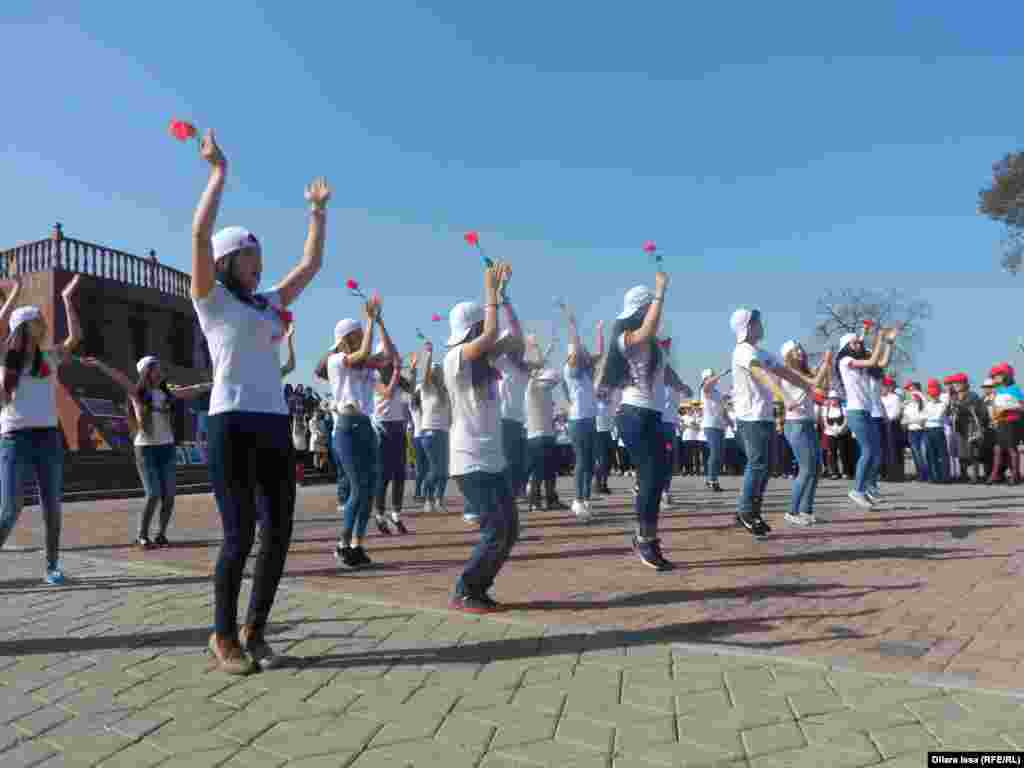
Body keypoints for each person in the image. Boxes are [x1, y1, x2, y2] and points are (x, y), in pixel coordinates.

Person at [190, 129, 330, 673]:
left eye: (258, 253)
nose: (257, 261)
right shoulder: (212, 300)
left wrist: (317, 213)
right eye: (248, 255)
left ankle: (256, 629)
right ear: (226, 262)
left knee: (279, 531)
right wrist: (218, 173)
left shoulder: (268, 305)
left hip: (274, 423)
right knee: (239, 532)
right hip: (230, 420)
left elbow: (310, 267)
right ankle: (222, 634)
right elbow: (199, 233)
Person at [445, 263, 519, 613]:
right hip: (469, 458)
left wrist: (503, 299)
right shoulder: (454, 358)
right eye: (479, 327)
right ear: (470, 329)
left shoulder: (487, 361)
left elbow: (514, 338)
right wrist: (489, 292)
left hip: (492, 458)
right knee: (495, 530)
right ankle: (465, 589)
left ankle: (478, 587)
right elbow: (490, 337)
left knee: (509, 530)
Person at [0, 274, 84, 584]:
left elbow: (75, 338)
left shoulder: (49, 358)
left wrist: (66, 299)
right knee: (10, 509)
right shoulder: (5, 357)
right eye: (36, 320)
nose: (42, 324)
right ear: (23, 327)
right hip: (14, 439)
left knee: (52, 505)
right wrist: (16, 293)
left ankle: (52, 566)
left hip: (48, 437)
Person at [80, 355, 212, 547]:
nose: (160, 372)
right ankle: (142, 534)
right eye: (155, 369)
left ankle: (161, 534)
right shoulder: (137, 393)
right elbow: (119, 378)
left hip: (166, 448)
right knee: (153, 494)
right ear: (146, 373)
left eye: (160, 368)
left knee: (169, 495)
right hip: (145, 449)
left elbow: (192, 390)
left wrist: (216, 383)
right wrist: (100, 364)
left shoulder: (167, 392)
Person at [595, 272, 673, 569]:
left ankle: (646, 536)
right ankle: (645, 539)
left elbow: (662, 371)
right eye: (648, 310)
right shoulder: (626, 338)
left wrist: (679, 384)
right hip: (634, 415)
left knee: (657, 476)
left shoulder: (653, 345)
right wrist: (660, 292)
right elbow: (648, 327)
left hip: (651, 415)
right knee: (651, 476)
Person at [319, 306, 397, 565]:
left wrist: (380, 322)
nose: (362, 338)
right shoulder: (336, 361)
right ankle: (342, 544)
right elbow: (363, 352)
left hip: (365, 426)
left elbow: (388, 355)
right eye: (357, 335)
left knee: (369, 489)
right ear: (343, 341)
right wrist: (370, 320)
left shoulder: (365, 366)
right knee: (358, 487)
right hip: (347, 428)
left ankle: (357, 545)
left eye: (362, 333)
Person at [728, 308, 813, 537]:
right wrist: (783, 396)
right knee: (758, 464)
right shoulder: (742, 351)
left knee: (765, 465)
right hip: (750, 418)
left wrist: (809, 386)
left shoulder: (762, 352)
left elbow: (784, 372)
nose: (761, 325)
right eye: (757, 322)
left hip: (763, 417)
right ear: (747, 327)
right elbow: (759, 373)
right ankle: (748, 512)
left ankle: (748, 510)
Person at [833, 325, 900, 508]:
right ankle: (858, 490)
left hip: (866, 411)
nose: (858, 344)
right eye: (853, 342)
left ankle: (869, 488)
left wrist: (889, 343)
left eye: (858, 341)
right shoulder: (845, 360)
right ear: (846, 346)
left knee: (875, 452)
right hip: (855, 411)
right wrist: (878, 337)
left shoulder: (861, 364)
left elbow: (882, 362)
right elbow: (871, 361)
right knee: (868, 450)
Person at [777, 340, 832, 526]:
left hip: (807, 423)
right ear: (788, 355)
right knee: (807, 469)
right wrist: (825, 362)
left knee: (816, 469)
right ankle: (792, 511)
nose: (800, 351)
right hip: (796, 424)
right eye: (796, 349)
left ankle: (806, 510)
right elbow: (816, 382)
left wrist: (827, 366)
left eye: (800, 348)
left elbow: (822, 387)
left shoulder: (803, 372)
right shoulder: (788, 372)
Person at [562, 313, 601, 520]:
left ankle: (585, 499)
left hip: (590, 418)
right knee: (581, 460)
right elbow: (577, 350)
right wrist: (573, 327)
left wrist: (599, 332)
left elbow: (601, 354)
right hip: (577, 420)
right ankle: (577, 500)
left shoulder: (586, 372)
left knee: (589, 461)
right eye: (580, 352)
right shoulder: (570, 369)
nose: (585, 354)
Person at [371, 344, 413, 535]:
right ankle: (379, 514)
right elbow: (387, 392)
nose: (395, 357)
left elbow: (411, 389)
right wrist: (397, 370)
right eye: (391, 354)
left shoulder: (396, 374)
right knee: (383, 475)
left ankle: (396, 513)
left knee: (399, 474)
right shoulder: (373, 374)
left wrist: (412, 370)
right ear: (382, 357)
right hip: (382, 427)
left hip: (398, 426)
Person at [417, 341, 452, 516]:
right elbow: (422, 373)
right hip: (429, 432)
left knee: (445, 471)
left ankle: (439, 499)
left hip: (444, 433)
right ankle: (427, 496)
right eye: (435, 370)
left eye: (440, 370)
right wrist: (427, 353)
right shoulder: (426, 388)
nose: (438, 372)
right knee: (435, 469)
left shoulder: (445, 392)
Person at [948, 373, 989, 484]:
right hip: (959, 427)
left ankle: (975, 476)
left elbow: (979, 412)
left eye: (958, 383)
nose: (955, 385)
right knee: (961, 452)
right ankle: (963, 475)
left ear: (965, 384)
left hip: (971, 426)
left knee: (973, 452)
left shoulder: (973, 396)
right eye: (954, 383)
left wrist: (961, 407)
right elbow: (949, 412)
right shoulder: (954, 397)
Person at [988, 362, 1023, 484]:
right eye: (995, 376)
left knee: (1011, 449)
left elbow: (1021, 406)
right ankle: (995, 474)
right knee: (997, 448)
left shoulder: (1015, 389)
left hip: (1012, 422)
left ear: (1007, 375)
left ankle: (1015, 475)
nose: (995, 378)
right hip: (1001, 422)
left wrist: (1008, 408)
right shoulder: (998, 390)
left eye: (998, 375)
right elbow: (996, 407)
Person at [700, 369, 728, 491]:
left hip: (720, 425)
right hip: (710, 425)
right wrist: (721, 374)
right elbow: (707, 385)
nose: (715, 379)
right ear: (706, 378)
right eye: (711, 376)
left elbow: (722, 410)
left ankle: (710, 478)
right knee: (715, 453)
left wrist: (730, 422)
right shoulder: (705, 390)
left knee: (719, 454)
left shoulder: (718, 393)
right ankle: (712, 479)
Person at [923, 378, 950, 484]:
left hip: (938, 429)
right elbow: (923, 416)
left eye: (935, 394)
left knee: (942, 454)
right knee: (930, 454)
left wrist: (928, 416)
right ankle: (933, 476)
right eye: (931, 394)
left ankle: (944, 477)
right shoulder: (928, 404)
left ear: (938, 394)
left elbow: (937, 416)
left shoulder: (942, 404)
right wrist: (928, 416)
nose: (933, 396)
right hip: (929, 429)